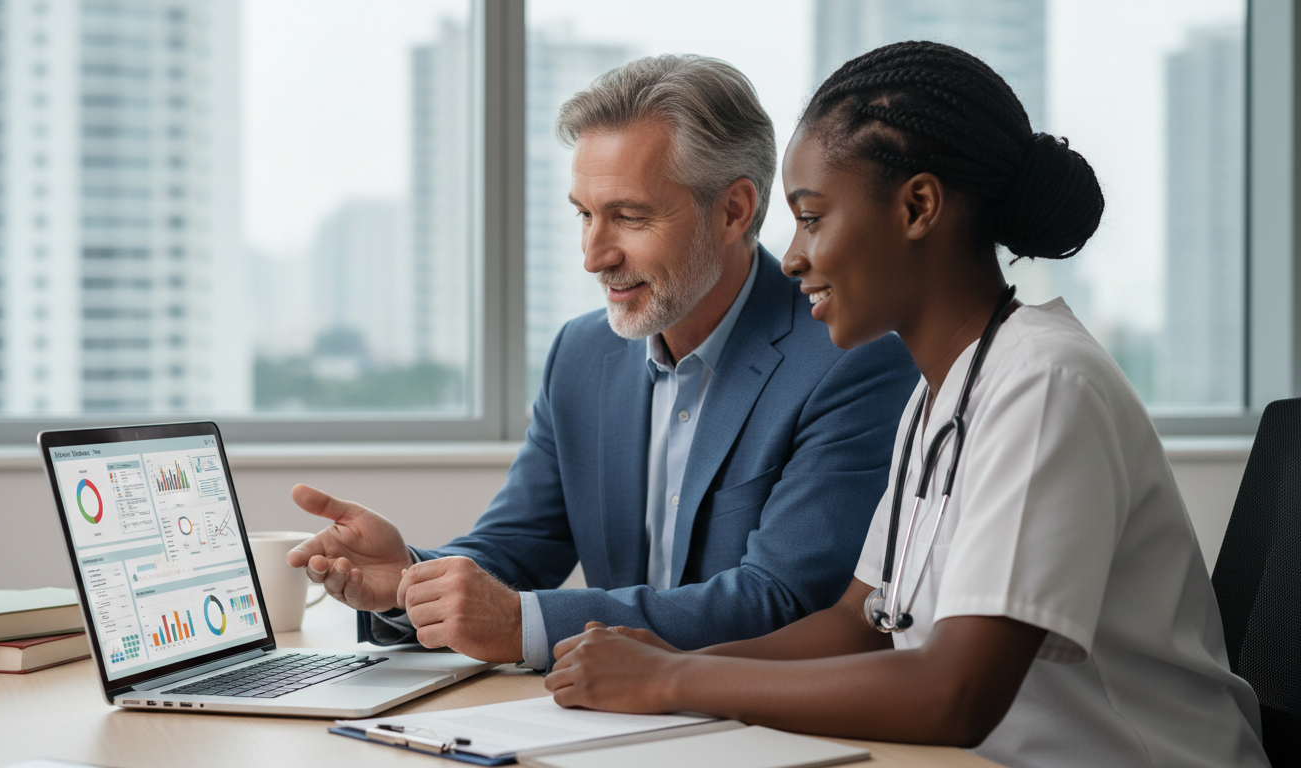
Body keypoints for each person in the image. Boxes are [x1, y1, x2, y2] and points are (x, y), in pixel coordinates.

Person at [542, 42, 1269, 768]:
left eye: (813, 218)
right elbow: (861, 624)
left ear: (918, 207)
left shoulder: (1046, 381)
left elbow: (954, 691)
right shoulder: (940, 393)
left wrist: (675, 679)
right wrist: (657, 665)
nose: (791, 256)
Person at [285, 55, 920, 671]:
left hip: (758, 727)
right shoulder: (581, 354)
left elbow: (782, 602)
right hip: (600, 720)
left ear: (734, 210)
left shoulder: (851, 361)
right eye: (585, 214)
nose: (593, 256)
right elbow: (515, 552)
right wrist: (407, 580)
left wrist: (518, 623)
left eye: (629, 216)